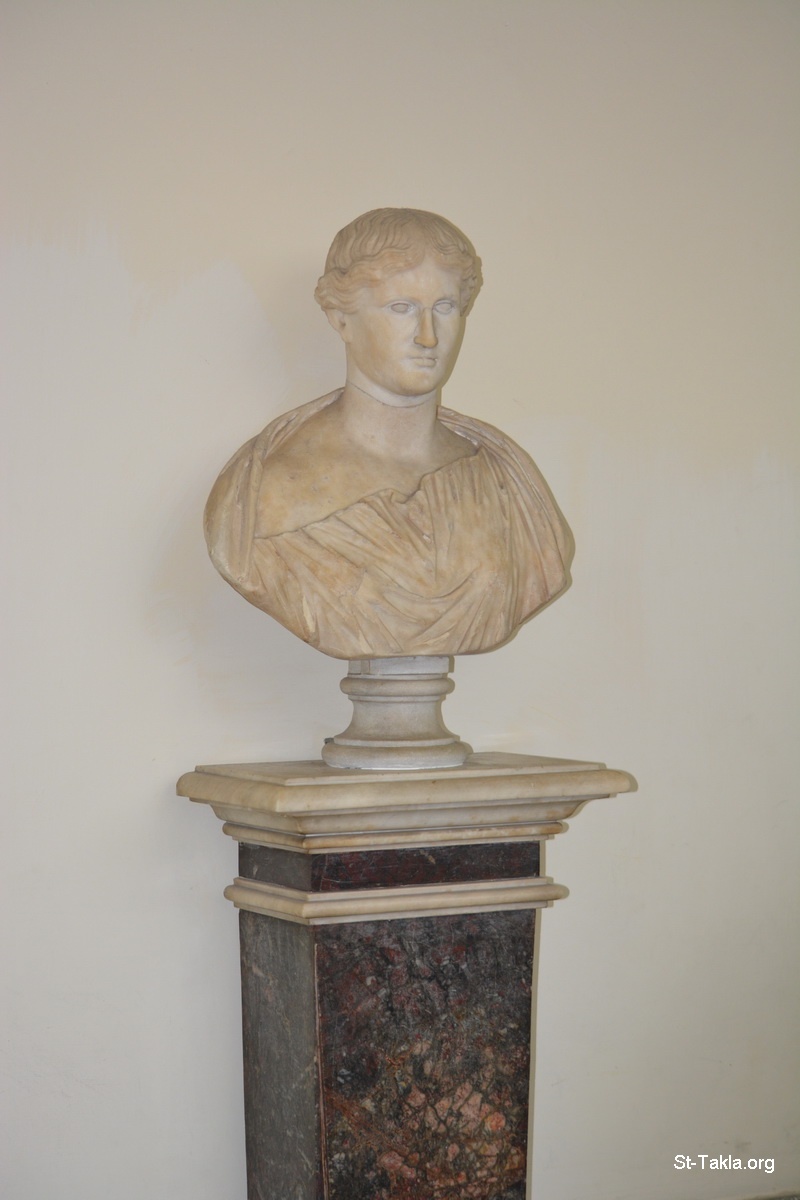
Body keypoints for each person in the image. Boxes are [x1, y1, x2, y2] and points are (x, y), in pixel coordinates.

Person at [204, 208, 572, 660]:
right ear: (341, 318)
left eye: (445, 307)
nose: (428, 337)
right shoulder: (270, 489)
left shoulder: (504, 482)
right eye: (402, 308)